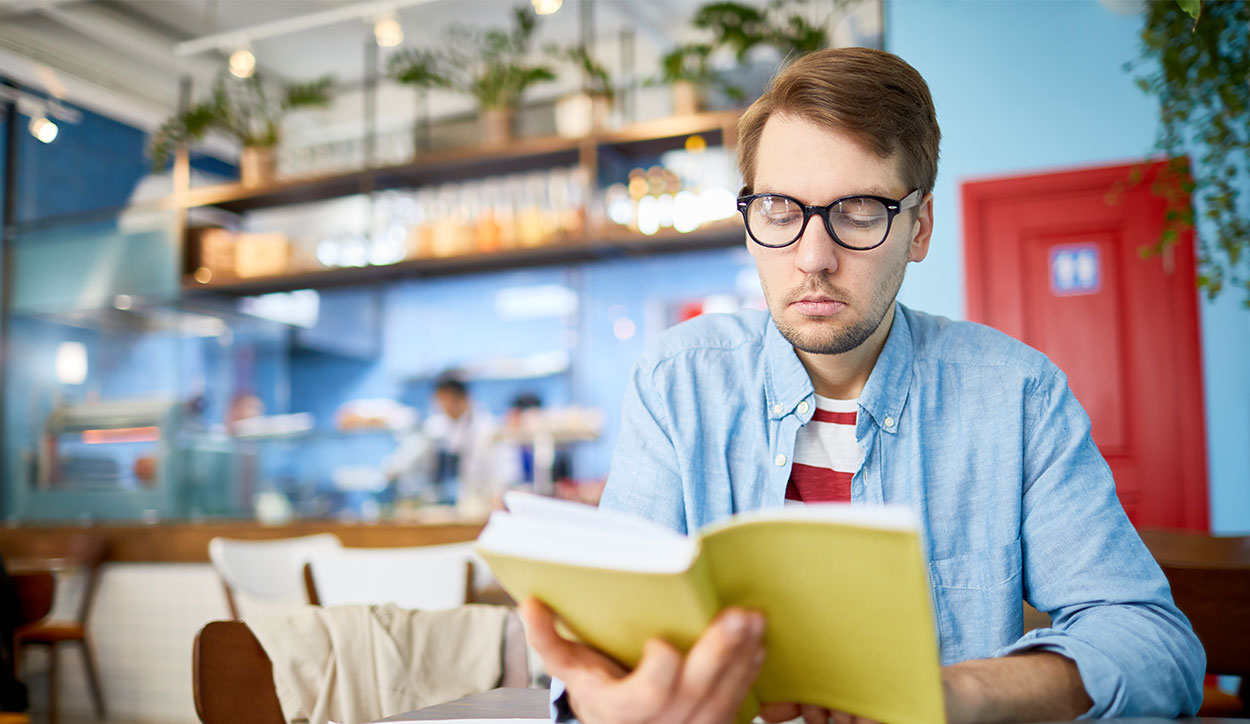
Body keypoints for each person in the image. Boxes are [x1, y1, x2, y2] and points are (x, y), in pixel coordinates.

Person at [519, 47, 1204, 724]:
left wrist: (956, 694)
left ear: (919, 229)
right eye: (782, 211)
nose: (813, 259)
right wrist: (599, 698)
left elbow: (1156, 646)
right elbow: (605, 643)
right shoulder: (676, 384)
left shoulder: (1018, 396)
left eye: (859, 211)